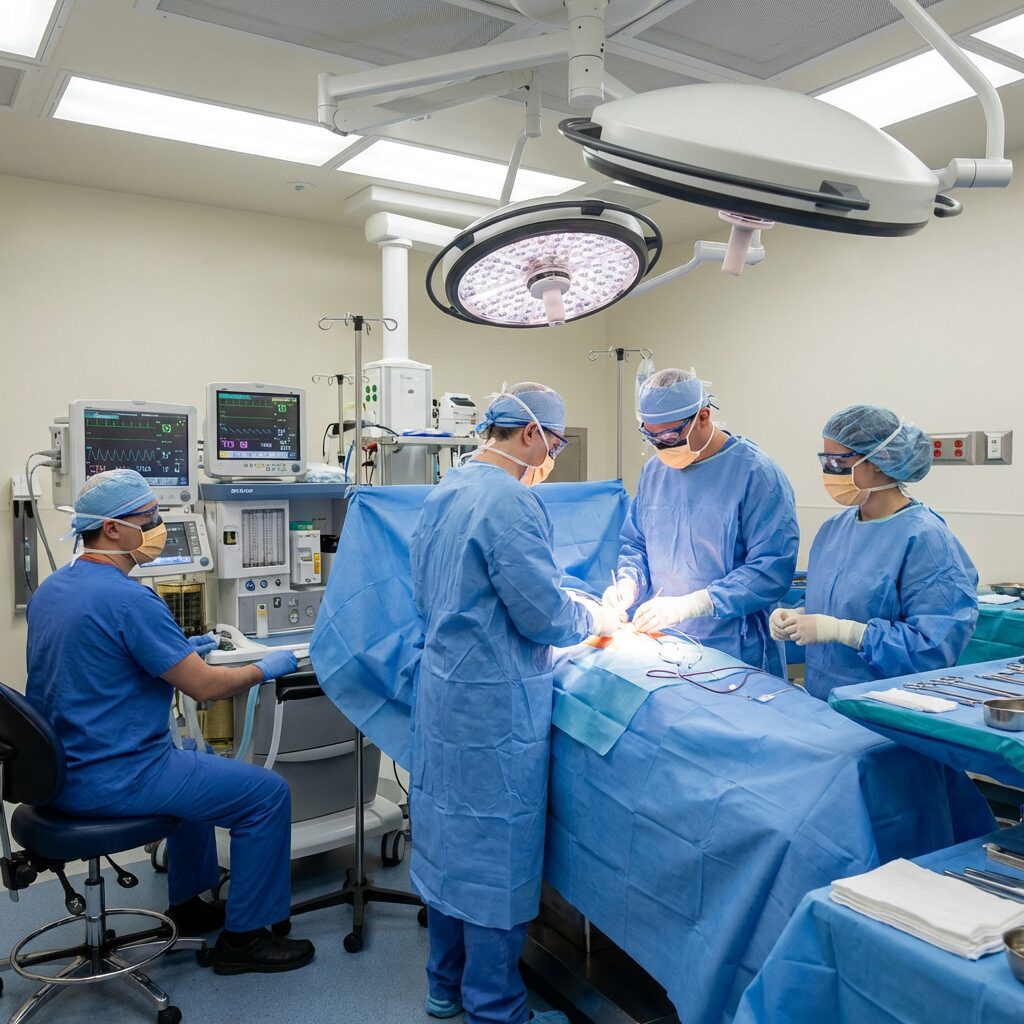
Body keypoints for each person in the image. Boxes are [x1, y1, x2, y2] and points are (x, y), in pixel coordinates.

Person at [26, 469, 315, 974]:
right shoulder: (130, 598)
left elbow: (97, 661)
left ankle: (187, 905)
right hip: (117, 777)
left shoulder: (54, 589)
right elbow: (202, 688)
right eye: (149, 519)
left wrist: (182, 650)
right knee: (266, 794)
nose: (158, 528)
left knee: (196, 764)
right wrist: (264, 666)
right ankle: (244, 942)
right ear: (113, 529)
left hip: (58, 773)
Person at [409, 384, 619, 1024]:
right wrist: (596, 614)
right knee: (494, 850)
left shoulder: (446, 489)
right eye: (554, 443)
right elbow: (542, 613)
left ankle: (444, 985)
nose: (552, 455)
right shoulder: (510, 501)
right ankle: (496, 1007)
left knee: (447, 839)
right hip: (494, 705)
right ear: (530, 434)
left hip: (444, 689)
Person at [770, 405, 978, 700]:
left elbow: (933, 647)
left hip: (887, 705)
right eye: (825, 460)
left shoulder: (925, 537)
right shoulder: (834, 529)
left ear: (878, 461)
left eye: (839, 461)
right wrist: (798, 615)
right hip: (823, 698)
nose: (829, 470)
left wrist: (844, 632)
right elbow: (836, 602)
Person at [604, 367, 799, 675]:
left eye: (669, 436)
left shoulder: (755, 474)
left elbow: (772, 568)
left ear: (703, 417)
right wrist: (628, 582)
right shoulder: (655, 472)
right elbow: (637, 542)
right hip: (662, 644)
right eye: (650, 436)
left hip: (734, 649)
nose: (661, 447)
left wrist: (694, 604)